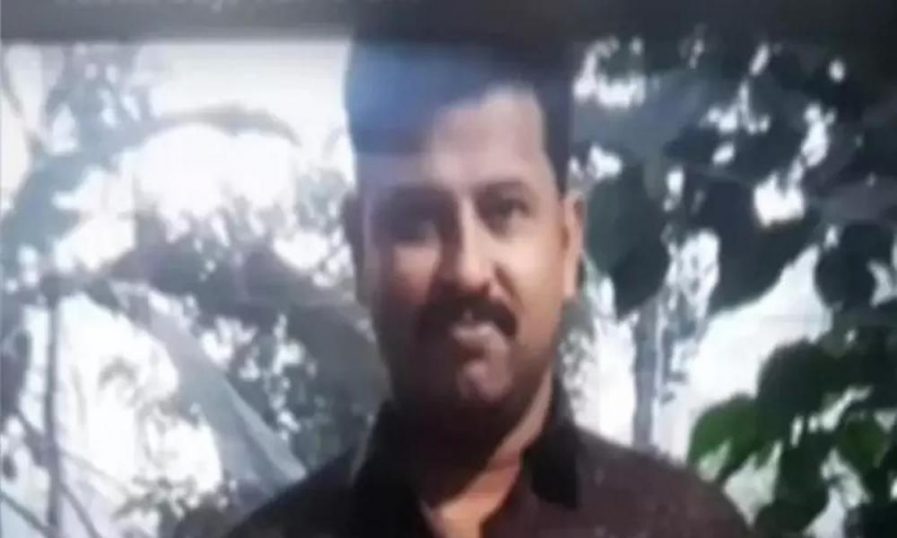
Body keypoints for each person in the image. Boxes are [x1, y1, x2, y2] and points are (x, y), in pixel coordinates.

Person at [225, 30, 752, 538]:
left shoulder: (689, 528)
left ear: (567, 243)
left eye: (505, 210)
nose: (467, 271)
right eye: (417, 220)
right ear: (361, 251)